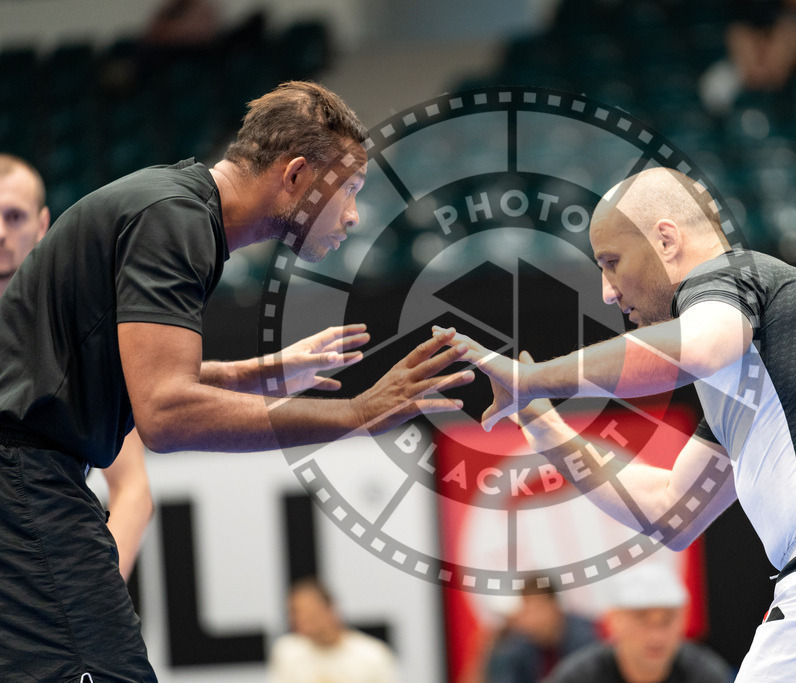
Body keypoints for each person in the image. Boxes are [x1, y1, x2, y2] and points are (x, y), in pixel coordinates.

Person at [437, 166, 796, 681]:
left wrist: (542, 377)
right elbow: (669, 513)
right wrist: (542, 423)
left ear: (666, 240)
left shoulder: (729, 274)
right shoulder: (749, 377)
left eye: (610, 262)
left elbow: (698, 346)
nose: (608, 291)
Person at [0, 81, 474, 681]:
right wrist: (358, 414)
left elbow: (139, 370)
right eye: (350, 190)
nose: (354, 215)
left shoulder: (172, 202)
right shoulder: (174, 219)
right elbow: (166, 414)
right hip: (24, 485)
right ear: (296, 175)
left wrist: (262, 374)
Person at [0, 153, 152, 581]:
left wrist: (97, 598)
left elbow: (133, 490)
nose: (0, 233)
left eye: (14, 216)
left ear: (43, 224)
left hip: (42, 593)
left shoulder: (78, 334)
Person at [546, 562, 732, 683]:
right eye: (642, 621)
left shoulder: (706, 674)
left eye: (666, 621)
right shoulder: (579, 677)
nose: (656, 635)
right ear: (613, 621)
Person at [269, 577, 400, 683]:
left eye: (309, 613)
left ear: (330, 609)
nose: (299, 619)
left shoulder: (373, 655)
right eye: (294, 612)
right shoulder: (287, 651)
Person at [483, 575, 598, 683]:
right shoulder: (520, 645)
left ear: (555, 605)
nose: (532, 620)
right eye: (527, 612)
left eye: (537, 610)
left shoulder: (586, 637)